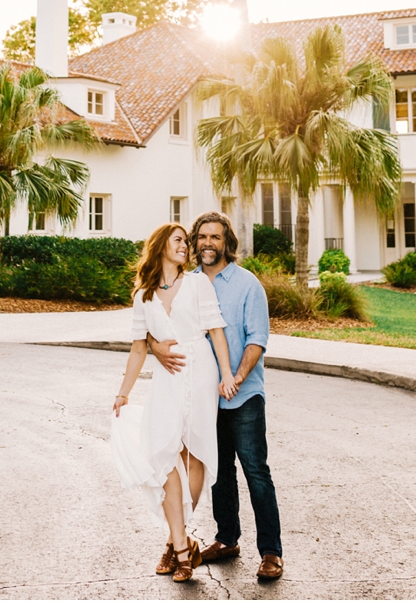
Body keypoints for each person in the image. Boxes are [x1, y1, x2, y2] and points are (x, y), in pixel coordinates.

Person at [148, 212, 284, 581]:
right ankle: (226, 539)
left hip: (242, 395)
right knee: (217, 471)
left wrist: (235, 377)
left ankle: (271, 551)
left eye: (216, 237)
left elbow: (257, 339)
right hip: (199, 395)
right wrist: (156, 349)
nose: (208, 243)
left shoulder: (247, 284)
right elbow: (157, 325)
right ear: (194, 242)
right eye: (202, 237)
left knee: (256, 472)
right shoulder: (185, 282)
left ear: (227, 243)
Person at [110, 222, 237, 583]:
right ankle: (181, 542)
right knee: (163, 455)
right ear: (161, 245)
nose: (186, 246)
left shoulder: (198, 283)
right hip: (167, 378)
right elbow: (138, 347)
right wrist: (123, 392)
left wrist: (226, 374)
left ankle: (177, 545)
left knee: (194, 454)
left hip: (200, 370)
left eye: (187, 242)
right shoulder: (144, 296)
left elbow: (216, 330)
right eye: (179, 240)